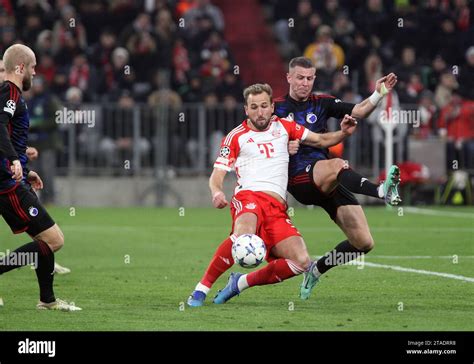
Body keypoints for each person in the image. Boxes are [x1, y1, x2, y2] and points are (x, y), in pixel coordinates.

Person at [187, 83, 358, 306]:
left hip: (277, 207)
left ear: (271, 107)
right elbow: (217, 173)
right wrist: (216, 191)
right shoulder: (235, 137)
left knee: (302, 262)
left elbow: (320, 140)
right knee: (243, 236)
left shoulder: (286, 126)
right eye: (254, 107)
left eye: (264, 106)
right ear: (246, 110)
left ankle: (240, 283)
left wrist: (343, 132)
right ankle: (201, 289)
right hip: (249, 197)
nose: (260, 112)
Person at [273, 56, 400, 299]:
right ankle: (381, 191)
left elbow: (360, 111)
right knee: (338, 164)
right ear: (288, 78)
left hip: (329, 178)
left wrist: (379, 92)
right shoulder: (275, 107)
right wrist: (282, 147)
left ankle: (316, 270)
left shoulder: (322, 102)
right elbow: (258, 140)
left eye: (310, 78)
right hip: (300, 178)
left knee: (363, 242)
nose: (305, 83)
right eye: (300, 78)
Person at [0, 44, 80, 311]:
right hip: (8, 184)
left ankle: (47, 301)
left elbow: (8, 133)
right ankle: (46, 300)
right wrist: (13, 161)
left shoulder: (14, 95)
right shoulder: (9, 92)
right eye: (33, 67)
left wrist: (24, 165)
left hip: (13, 179)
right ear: (21, 67)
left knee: (47, 242)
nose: (35, 72)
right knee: (53, 240)